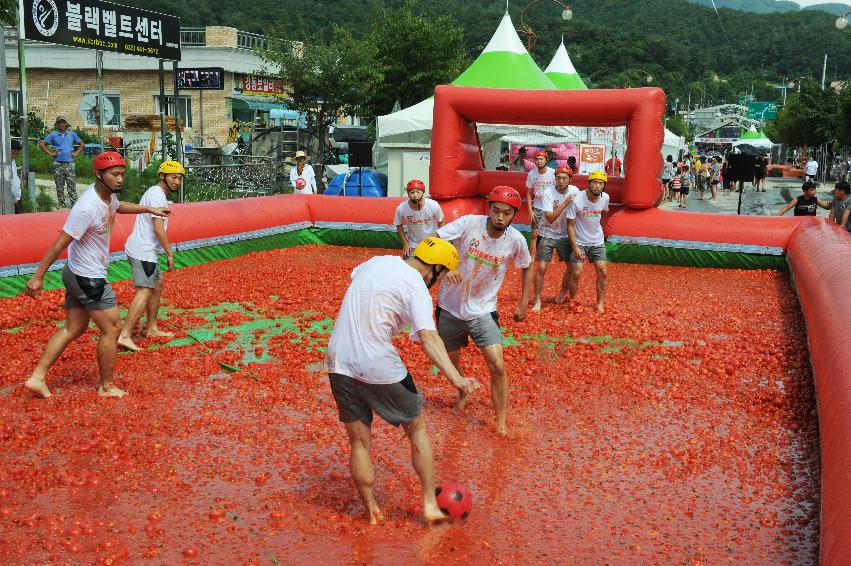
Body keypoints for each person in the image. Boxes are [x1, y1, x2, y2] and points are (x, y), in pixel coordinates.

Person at [325, 237, 479, 525]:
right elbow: (429, 338)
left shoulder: (375, 262)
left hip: (337, 361)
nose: (441, 280)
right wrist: (457, 378)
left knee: (359, 443)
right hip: (377, 364)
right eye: (443, 274)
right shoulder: (416, 286)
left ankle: (371, 510)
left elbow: (359, 281)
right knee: (416, 427)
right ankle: (430, 505)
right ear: (435, 268)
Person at [22, 152, 171, 399]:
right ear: (99, 175)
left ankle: (37, 377)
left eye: (122, 174)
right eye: (114, 175)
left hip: (77, 271)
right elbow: (60, 242)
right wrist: (37, 276)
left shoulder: (108, 197)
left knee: (74, 327)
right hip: (88, 277)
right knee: (113, 328)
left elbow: (119, 207)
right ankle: (107, 386)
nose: (120, 179)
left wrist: (148, 208)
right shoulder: (87, 207)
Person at [436, 186, 533, 435]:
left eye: (507, 213)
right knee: (450, 360)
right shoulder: (470, 224)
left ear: (514, 215)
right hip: (450, 306)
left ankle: (500, 421)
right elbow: (435, 239)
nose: (500, 217)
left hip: (483, 308)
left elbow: (526, 266)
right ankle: (462, 391)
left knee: (497, 364)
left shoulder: (515, 240)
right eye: (497, 211)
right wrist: (448, 266)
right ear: (488, 208)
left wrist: (523, 303)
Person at [118, 161, 184, 352]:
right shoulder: (157, 194)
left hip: (146, 251)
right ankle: (125, 335)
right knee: (144, 291)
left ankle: (152, 328)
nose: (177, 182)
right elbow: (157, 228)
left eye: (179, 178)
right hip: (143, 251)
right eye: (173, 177)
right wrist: (170, 253)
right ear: (162, 176)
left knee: (157, 285)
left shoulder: (157, 194)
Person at [531, 166, 579, 311]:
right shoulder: (548, 192)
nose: (561, 181)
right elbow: (550, 218)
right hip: (547, 232)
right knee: (541, 267)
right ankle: (538, 299)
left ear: (570, 179)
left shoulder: (575, 191)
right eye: (558, 178)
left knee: (571, 267)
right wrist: (565, 203)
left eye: (564, 178)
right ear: (555, 178)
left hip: (565, 234)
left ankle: (563, 292)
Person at [566, 170, 610, 314]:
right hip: (579, 241)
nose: (598, 186)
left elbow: (603, 214)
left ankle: (600, 303)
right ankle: (573, 300)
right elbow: (570, 224)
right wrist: (575, 247)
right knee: (576, 272)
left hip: (597, 241)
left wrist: (601, 234)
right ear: (589, 184)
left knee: (603, 271)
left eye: (601, 183)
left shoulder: (605, 198)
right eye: (595, 183)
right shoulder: (577, 199)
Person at [39, 116, 84, 208]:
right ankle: (61, 203)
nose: (62, 124)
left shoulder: (72, 134)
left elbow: (81, 143)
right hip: (58, 163)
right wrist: (50, 153)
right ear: (57, 124)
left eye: (63, 122)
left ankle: (74, 203)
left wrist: (77, 152)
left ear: (66, 124)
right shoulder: (53, 135)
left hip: (70, 163)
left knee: (71, 184)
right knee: (59, 184)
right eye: (60, 122)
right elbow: (42, 144)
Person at [393, 179, 444, 258]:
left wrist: (439, 241)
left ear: (423, 192)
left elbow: (441, 221)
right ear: (408, 193)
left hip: (432, 242)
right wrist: (405, 243)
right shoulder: (401, 208)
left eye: (418, 192)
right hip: (413, 243)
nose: (415, 195)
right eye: (412, 192)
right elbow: (398, 225)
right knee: (408, 265)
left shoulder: (433, 205)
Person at [525, 150, 555, 258]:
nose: (539, 161)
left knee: (551, 234)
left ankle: (551, 259)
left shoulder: (553, 173)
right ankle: (532, 257)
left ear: (546, 160)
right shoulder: (532, 174)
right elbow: (528, 193)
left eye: (541, 159)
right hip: (537, 207)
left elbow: (558, 191)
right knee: (534, 233)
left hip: (550, 207)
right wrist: (530, 210)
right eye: (536, 159)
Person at [10, 139, 22, 214]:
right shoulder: (4, 164)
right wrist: (12, 196)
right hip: (11, 199)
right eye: (13, 149)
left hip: (17, 197)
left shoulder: (13, 161)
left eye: (17, 149)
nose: (16, 151)